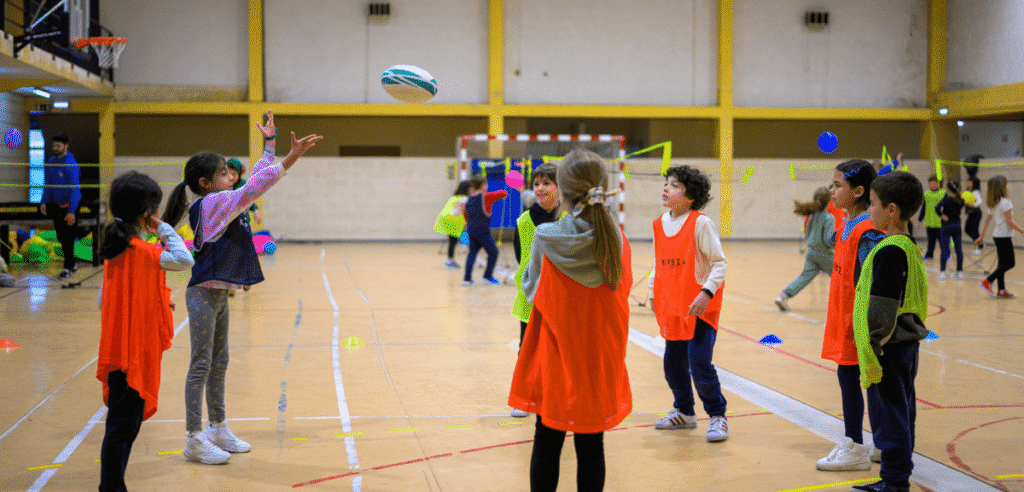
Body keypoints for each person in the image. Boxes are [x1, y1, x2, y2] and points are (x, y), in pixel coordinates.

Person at [161, 110, 322, 464]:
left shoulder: (221, 198)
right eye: (223, 173)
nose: (230, 176)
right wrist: (290, 159)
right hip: (202, 292)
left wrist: (270, 146)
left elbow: (252, 183)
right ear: (206, 182)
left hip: (218, 295)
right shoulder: (212, 204)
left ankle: (217, 426)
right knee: (201, 363)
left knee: (220, 361)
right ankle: (193, 437)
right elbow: (255, 187)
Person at [508, 148, 631, 492]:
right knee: (592, 445)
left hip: (557, 352)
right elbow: (620, 294)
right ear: (601, 186)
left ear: (562, 190)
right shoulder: (617, 239)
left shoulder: (547, 237)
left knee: (546, 440)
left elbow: (531, 289)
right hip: (599, 353)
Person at [96, 171, 194, 491]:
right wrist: (163, 228)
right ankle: (111, 487)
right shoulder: (143, 252)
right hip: (130, 355)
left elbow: (105, 299)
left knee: (125, 427)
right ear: (146, 213)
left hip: (119, 350)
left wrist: (151, 304)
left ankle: (114, 485)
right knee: (121, 429)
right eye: (154, 209)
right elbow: (183, 258)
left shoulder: (118, 248)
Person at [850, 170, 929, 492]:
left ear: (892, 209)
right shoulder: (907, 246)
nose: (870, 211)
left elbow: (883, 307)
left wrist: (874, 344)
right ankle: (896, 475)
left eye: (873, 204)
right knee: (902, 408)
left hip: (888, 347)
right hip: (903, 345)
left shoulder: (890, 250)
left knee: (890, 413)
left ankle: (895, 481)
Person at [649, 165, 730, 443]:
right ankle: (684, 412)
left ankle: (718, 414)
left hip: (700, 308)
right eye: (667, 184)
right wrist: (651, 291)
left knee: (699, 364)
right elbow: (657, 263)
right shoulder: (660, 223)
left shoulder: (700, 223)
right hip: (673, 306)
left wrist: (706, 292)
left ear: (691, 195)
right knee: (672, 365)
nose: (666, 189)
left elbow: (720, 263)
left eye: (675, 185)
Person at [817, 159, 884, 471]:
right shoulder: (847, 225)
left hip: (860, 321)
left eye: (838, 185)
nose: (832, 191)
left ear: (859, 191)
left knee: (858, 378)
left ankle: (855, 445)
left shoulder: (868, 231)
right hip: (845, 317)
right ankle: (876, 443)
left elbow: (874, 280)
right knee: (858, 379)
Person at [509, 163, 560, 418]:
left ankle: (558, 394)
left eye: (547, 183)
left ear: (560, 187)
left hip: (562, 296)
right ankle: (525, 397)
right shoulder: (524, 220)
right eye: (536, 184)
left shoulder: (569, 219)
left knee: (560, 349)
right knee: (527, 347)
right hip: (531, 294)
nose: (540, 188)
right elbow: (522, 257)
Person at [776, 187, 835, 311]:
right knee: (839, 276)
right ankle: (848, 303)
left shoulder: (811, 216)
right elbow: (828, 239)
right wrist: (837, 245)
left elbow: (807, 233)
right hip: (824, 254)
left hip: (811, 252)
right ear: (828, 201)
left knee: (804, 276)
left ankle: (783, 296)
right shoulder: (829, 218)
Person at [39, 133, 81, 280]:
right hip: (57, 206)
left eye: (58, 146)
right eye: (54, 146)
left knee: (69, 238)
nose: (55, 148)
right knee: (61, 238)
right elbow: (48, 185)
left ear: (66, 146)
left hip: (70, 206)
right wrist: (43, 201)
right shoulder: (51, 162)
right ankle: (72, 264)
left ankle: (66, 269)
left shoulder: (71, 165)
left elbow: (75, 190)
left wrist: (72, 211)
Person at [976, 175, 1024, 299]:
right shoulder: (1006, 202)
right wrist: (1022, 231)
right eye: (1006, 184)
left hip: (997, 236)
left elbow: (986, 221)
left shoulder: (994, 202)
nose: (1008, 186)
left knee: (1002, 263)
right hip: (1003, 236)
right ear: (1002, 187)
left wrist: (981, 236)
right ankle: (988, 281)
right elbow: (1010, 222)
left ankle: (1001, 290)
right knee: (1010, 263)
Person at [225, 158, 262, 295]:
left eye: (234, 174)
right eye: (229, 173)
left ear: (240, 174)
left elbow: (250, 200)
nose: (231, 177)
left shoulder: (244, 185)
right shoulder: (224, 185)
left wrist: (256, 210)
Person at [462, 174, 507, 285]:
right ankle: (487, 276)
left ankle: (466, 279)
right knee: (493, 252)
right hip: (482, 232)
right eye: (486, 184)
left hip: (471, 231)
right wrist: (507, 187)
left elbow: (465, 215)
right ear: (483, 185)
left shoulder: (469, 199)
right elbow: (502, 194)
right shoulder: (485, 197)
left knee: (472, 253)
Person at [433, 180, 471, 269]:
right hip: (453, 221)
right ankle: (450, 261)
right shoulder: (463, 198)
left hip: (447, 220)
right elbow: (459, 212)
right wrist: (465, 223)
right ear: (467, 189)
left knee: (453, 242)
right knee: (459, 241)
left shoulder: (454, 197)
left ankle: (450, 260)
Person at [935, 180, 964, 279]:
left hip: (946, 226)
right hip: (957, 226)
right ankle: (959, 272)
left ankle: (942, 273)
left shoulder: (946, 199)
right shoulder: (960, 200)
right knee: (958, 249)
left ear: (948, 189)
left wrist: (941, 215)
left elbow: (937, 208)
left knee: (944, 249)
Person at [916, 175, 944, 260]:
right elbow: (924, 208)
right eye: (930, 183)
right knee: (931, 241)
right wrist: (919, 220)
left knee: (942, 241)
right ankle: (929, 254)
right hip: (929, 222)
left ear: (938, 183)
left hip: (940, 222)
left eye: (934, 182)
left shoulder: (943, 193)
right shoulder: (927, 194)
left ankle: (946, 254)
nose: (932, 184)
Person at [964, 177, 984, 255]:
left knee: (974, 230)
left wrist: (974, 204)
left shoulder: (975, 191)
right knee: (967, 229)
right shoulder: (969, 191)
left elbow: (980, 201)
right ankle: (979, 242)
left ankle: (980, 247)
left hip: (976, 213)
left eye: (970, 182)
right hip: (971, 214)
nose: (968, 183)